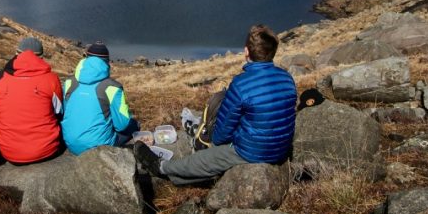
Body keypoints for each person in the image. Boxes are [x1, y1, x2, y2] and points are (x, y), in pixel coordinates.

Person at [134, 24, 296, 185]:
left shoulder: (241, 84)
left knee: (206, 159)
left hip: (254, 152)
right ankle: (177, 177)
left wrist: (215, 142)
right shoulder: (287, 78)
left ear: (246, 51)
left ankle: (162, 167)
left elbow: (223, 131)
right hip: (281, 150)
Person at [0, 36, 64, 165]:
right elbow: (59, 113)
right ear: (41, 57)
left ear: (16, 55)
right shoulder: (51, 79)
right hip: (47, 150)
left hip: (9, 152)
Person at [60, 41, 139, 155]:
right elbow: (121, 125)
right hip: (98, 147)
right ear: (107, 62)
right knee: (133, 125)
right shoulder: (112, 87)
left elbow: (66, 113)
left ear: (86, 59)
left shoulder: (69, 83)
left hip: (71, 143)